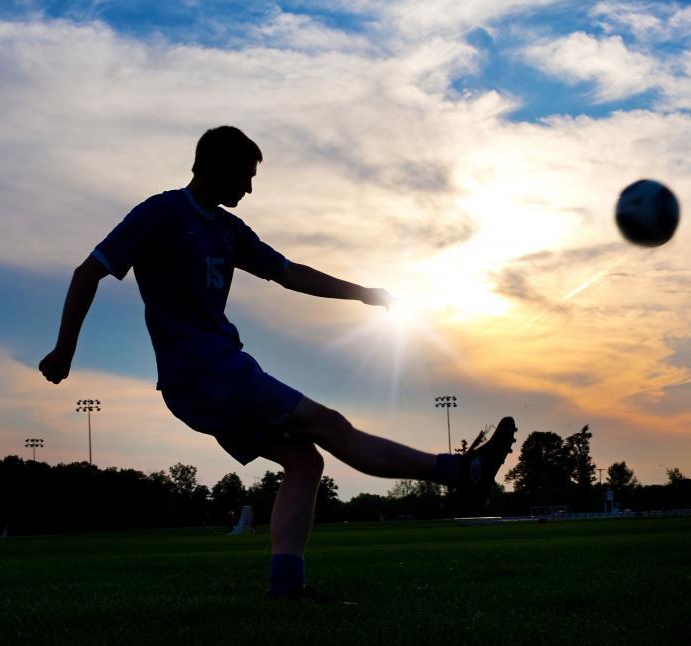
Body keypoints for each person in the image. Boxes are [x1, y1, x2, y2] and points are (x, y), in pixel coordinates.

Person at [39, 125, 517, 602]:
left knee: (305, 461)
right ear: (212, 168)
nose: (249, 188)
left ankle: (286, 586)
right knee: (329, 424)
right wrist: (66, 349)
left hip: (206, 381)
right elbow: (89, 271)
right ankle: (460, 473)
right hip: (207, 372)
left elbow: (288, 273)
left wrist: (361, 293)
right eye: (244, 177)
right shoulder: (160, 214)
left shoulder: (229, 230)